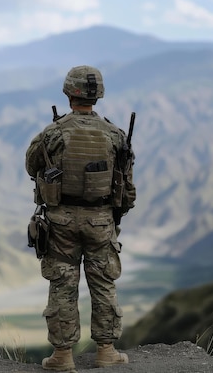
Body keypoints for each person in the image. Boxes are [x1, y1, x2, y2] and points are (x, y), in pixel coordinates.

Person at [25, 65, 136, 371]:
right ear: (97, 96)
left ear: (67, 93)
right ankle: (106, 351)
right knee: (103, 284)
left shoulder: (53, 132)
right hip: (101, 220)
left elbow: (31, 165)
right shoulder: (115, 135)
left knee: (62, 285)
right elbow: (126, 186)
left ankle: (62, 357)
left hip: (60, 221)